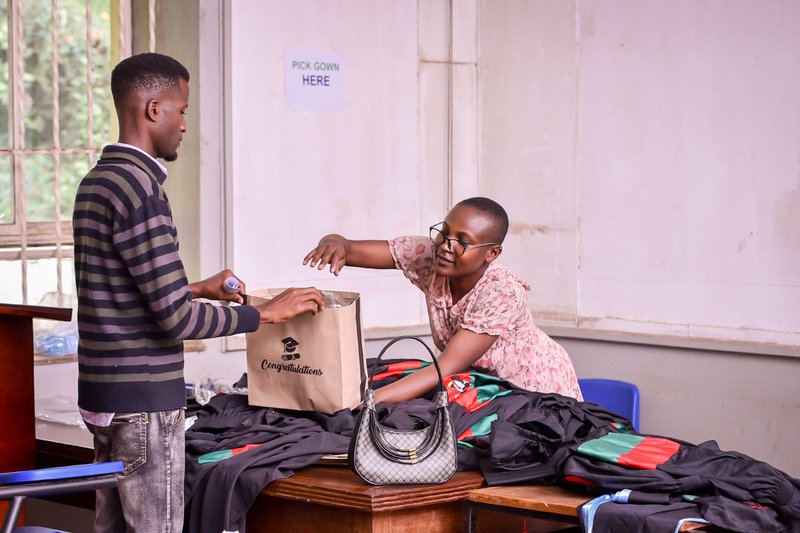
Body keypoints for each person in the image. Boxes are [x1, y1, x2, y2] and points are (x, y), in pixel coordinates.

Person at [72, 52, 323, 532]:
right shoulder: (141, 189)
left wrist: (197, 286)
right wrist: (265, 314)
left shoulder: (98, 182)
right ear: (153, 109)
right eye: (182, 109)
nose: (185, 124)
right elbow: (179, 321)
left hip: (102, 396)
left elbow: (119, 294)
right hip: (142, 401)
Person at [303, 197, 582, 404]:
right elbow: (350, 248)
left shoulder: (502, 292)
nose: (446, 246)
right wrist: (335, 242)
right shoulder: (430, 254)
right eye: (444, 232)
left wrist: (364, 402)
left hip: (533, 391)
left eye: (463, 241)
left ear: (492, 253)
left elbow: (446, 367)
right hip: (479, 386)